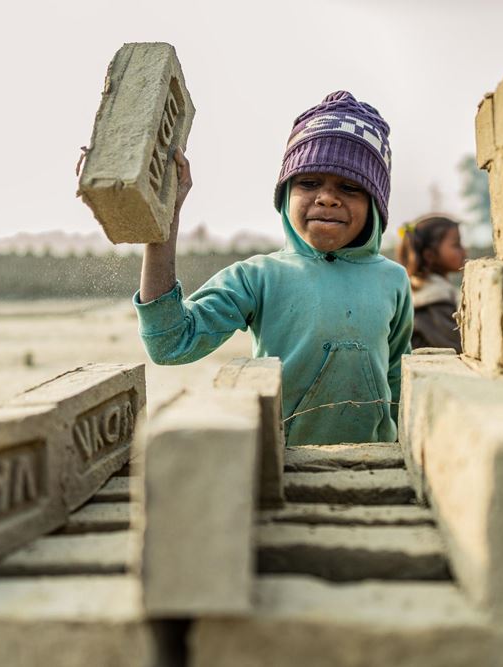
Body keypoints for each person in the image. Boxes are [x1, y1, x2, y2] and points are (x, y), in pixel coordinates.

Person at [134, 91, 413, 446]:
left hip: (373, 462)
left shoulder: (393, 279)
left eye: (349, 186)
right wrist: (164, 220)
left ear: (375, 205)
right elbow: (171, 343)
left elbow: (398, 381)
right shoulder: (257, 277)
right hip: (283, 465)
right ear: (285, 195)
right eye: (309, 183)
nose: (327, 197)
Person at [395, 215, 467, 352]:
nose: (464, 251)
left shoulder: (419, 289)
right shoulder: (433, 299)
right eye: (456, 245)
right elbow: (456, 347)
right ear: (430, 255)